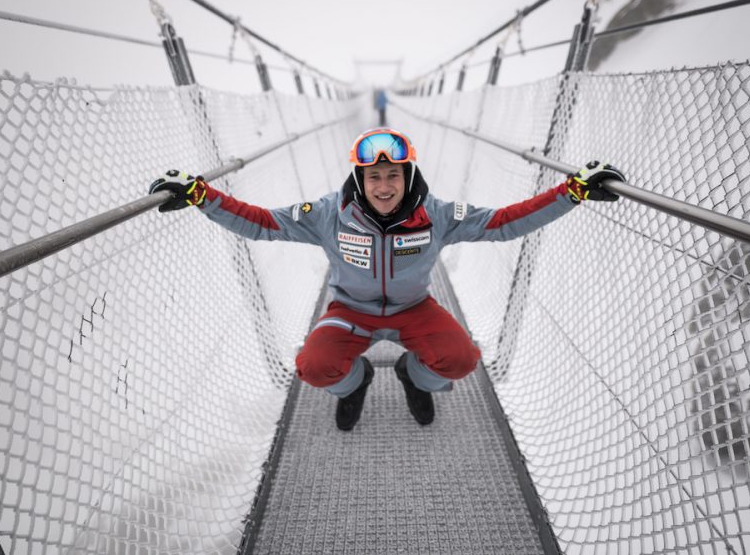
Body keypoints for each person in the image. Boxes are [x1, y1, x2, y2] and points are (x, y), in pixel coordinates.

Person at [148, 128, 625, 431]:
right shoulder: (327, 213)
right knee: (314, 366)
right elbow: (259, 221)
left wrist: (573, 191)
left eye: (392, 175)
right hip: (349, 311)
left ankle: (412, 377)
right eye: (373, 177)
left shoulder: (437, 213)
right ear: (359, 178)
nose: (383, 186)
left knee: (461, 359)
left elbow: (503, 222)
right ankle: (354, 384)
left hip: (413, 310)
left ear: (407, 174)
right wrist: (200, 196)